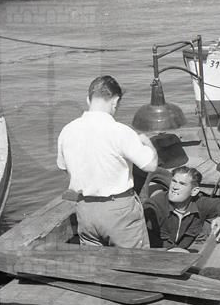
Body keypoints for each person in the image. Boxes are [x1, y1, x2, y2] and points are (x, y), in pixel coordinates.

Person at [57, 75, 158, 248]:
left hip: (85, 210)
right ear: (115, 101)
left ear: (88, 99)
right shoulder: (120, 131)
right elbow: (150, 165)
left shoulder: (67, 130)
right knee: (135, 262)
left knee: (94, 262)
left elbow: (63, 167)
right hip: (118, 210)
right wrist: (148, 144)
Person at [143, 166, 220, 251]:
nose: (175, 187)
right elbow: (146, 238)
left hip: (181, 255)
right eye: (174, 181)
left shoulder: (198, 203)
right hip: (155, 255)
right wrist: (172, 250)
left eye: (182, 184)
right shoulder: (154, 205)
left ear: (194, 191)